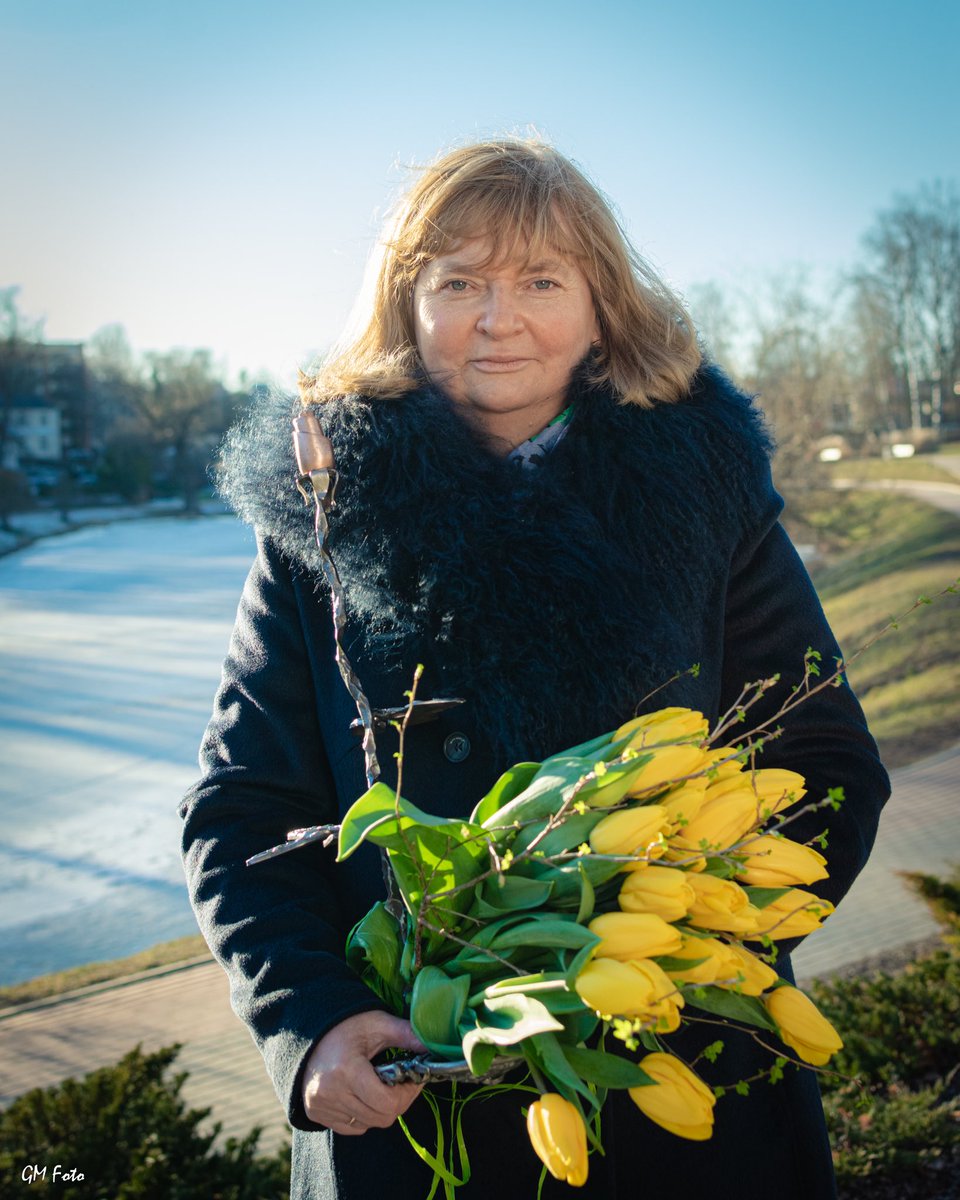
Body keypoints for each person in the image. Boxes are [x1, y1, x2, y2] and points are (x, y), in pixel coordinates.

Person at [180, 139, 890, 1199]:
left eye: (541, 281)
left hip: (671, 1079)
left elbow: (824, 762)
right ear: (405, 305)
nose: (496, 318)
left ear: (601, 307)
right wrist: (309, 1021)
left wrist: (674, 953)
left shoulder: (705, 499)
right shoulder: (319, 519)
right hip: (409, 1101)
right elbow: (243, 809)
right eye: (458, 281)